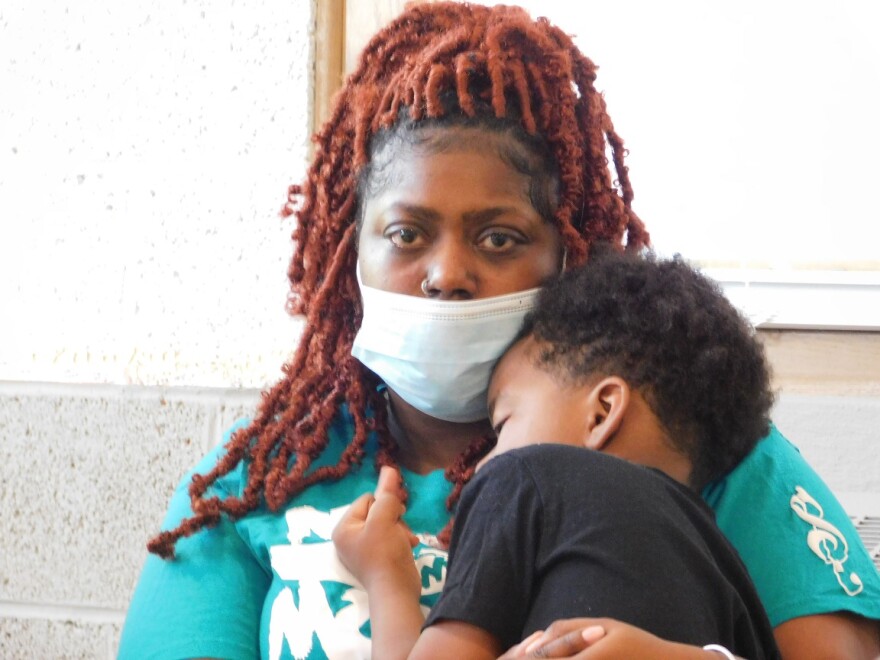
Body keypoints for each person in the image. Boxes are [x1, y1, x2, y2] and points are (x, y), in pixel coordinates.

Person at [118, 3, 880, 659]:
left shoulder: (686, 432)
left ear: (567, 253)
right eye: (407, 234)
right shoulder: (257, 483)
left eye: (498, 238)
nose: (447, 274)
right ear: (350, 253)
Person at [332, 250, 782, 659]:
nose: (479, 465)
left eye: (502, 425)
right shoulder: (729, 567)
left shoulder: (525, 479)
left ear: (601, 413)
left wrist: (387, 578)